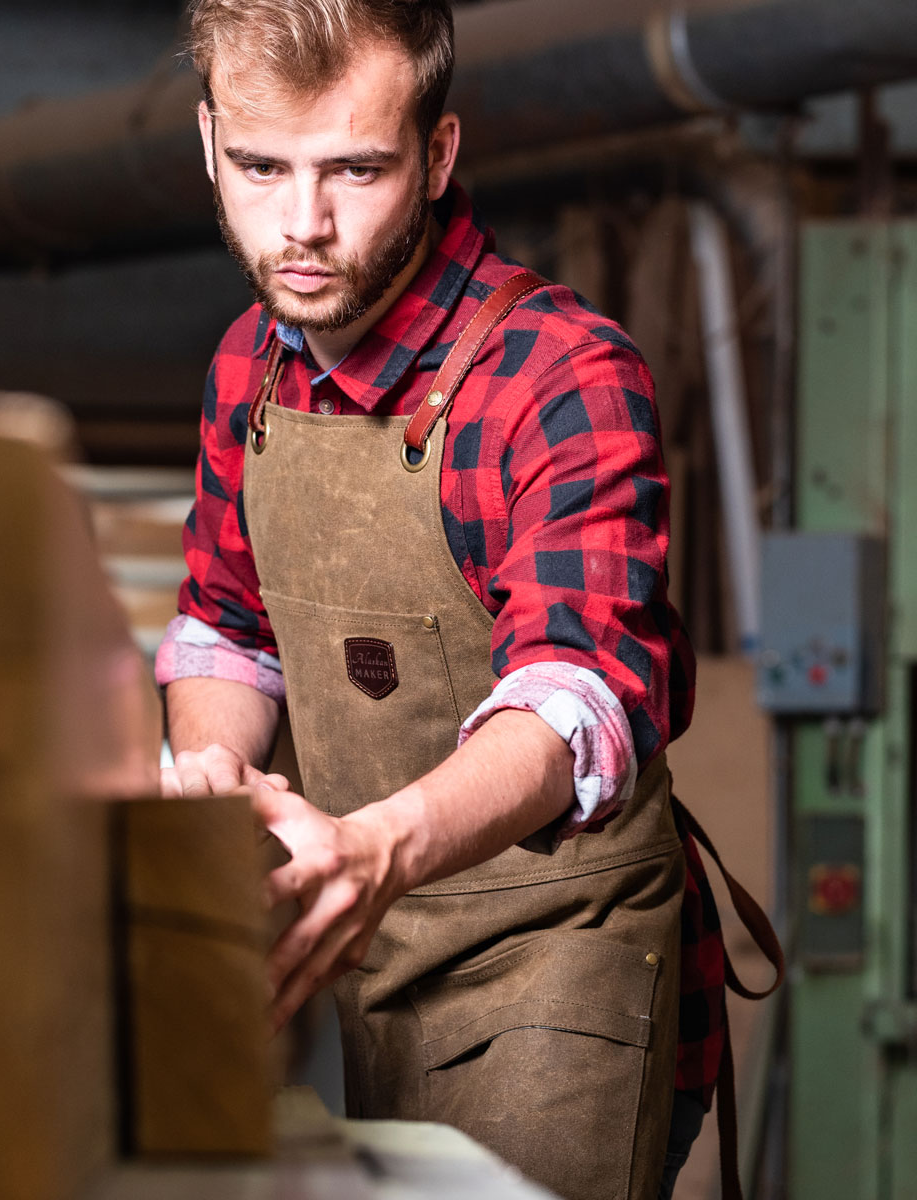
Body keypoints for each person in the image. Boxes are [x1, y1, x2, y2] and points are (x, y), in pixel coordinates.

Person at [155, 3, 725, 1196]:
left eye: (355, 170)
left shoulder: (562, 374)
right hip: (358, 968)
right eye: (261, 168)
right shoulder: (243, 366)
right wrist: (220, 787)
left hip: (550, 979)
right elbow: (225, 627)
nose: (302, 225)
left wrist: (376, 846)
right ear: (211, 143)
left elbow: (582, 696)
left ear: (439, 153)